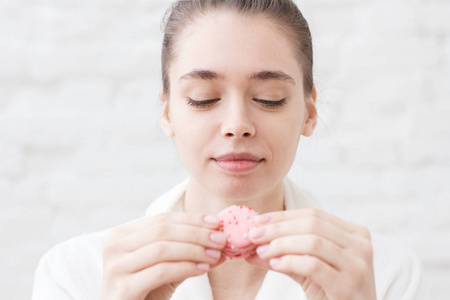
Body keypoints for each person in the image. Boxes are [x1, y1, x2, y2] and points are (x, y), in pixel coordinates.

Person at [32, 0, 427, 299]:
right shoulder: (77, 273)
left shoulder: (384, 273)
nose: (237, 125)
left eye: (270, 98)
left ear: (309, 113)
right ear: (167, 112)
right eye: (203, 99)